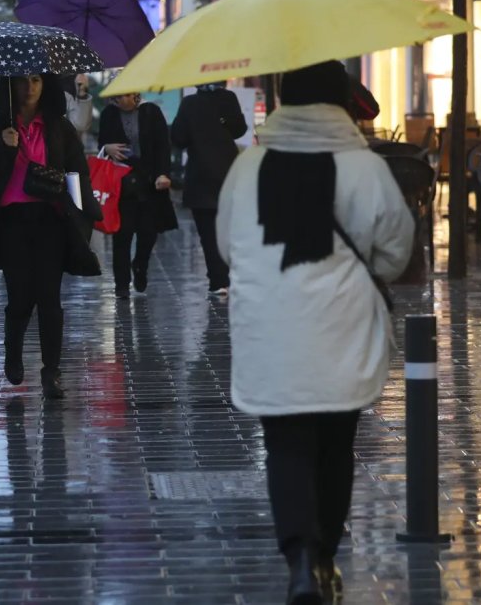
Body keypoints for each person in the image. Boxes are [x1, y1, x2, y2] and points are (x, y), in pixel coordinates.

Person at [216, 61, 414, 603]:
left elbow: (228, 247)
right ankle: (325, 555)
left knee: (285, 444)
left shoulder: (249, 166)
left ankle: (299, 561)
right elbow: (395, 252)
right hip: (342, 326)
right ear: (340, 101)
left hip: (269, 327)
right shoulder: (365, 167)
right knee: (335, 442)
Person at [0, 74, 102, 400]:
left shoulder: (59, 127)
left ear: (45, 84)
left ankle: (52, 371)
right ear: (10, 84)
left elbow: (78, 172)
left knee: (50, 299)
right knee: (20, 297)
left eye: (36, 80)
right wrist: (3, 148)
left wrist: (83, 214)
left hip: (51, 219)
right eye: (22, 80)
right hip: (11, 222)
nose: (30, 87)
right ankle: (13, 354)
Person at [97, 91, 178, 297]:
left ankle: (140, 264)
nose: (122, 100)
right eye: (117, 97)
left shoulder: (151, 111)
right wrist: (107, 148)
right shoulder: (109, 114)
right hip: (121, 185)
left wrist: (163, 173)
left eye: (126, 96)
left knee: (148, 233)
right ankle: (122, 284)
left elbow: (163, 146)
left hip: (149, 182)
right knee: (122, 235)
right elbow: (101, 144)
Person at [171, 82, 248, 297]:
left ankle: (218, 280)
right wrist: (222, 120)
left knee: (208, 233)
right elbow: (239, 130)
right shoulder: (228, 98)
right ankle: (231, 276)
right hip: (228, 172)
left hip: (200, 174)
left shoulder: (189, 103)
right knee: (230, 230)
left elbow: (178, 138)